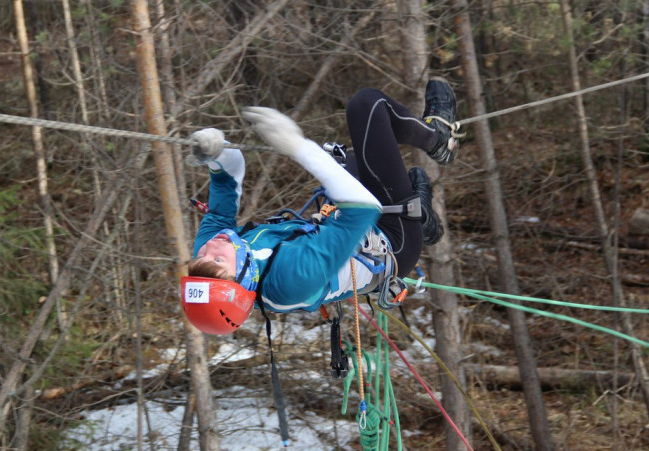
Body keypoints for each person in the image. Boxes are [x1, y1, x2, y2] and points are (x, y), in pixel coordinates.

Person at [181, 80, 459, 335]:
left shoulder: (208, 256)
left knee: (352, 160)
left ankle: (421, 216)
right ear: (241, 281)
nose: (211, 247)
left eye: (202, 255)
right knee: (367, 106)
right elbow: (362, 207)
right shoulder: (291, 281)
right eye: (218, 260)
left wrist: (217, 154)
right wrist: (300, 148)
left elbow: (224, 190)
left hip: (347, 225)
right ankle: (438, 138)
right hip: (391, 245)